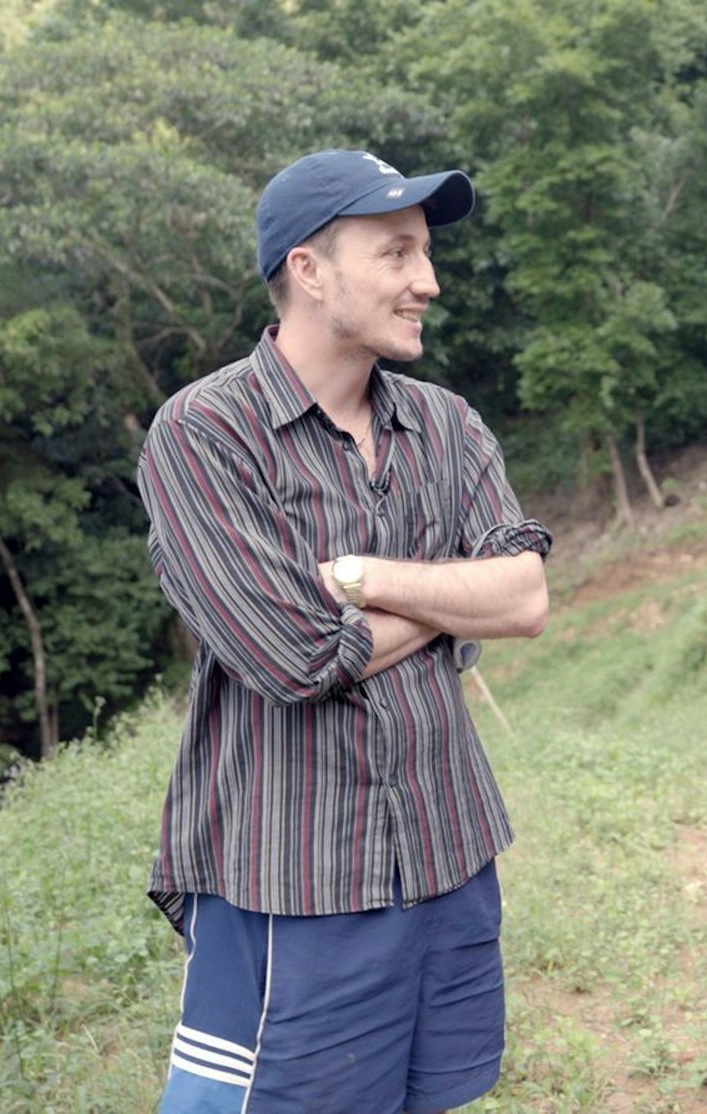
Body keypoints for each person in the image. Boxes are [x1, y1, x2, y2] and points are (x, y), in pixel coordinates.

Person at [136, 148, 552, 1113]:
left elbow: (525, 597)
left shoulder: (446, 426)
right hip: (292, 883)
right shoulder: (204, 434)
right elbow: (295, 655)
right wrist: (452, 601)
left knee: (432, 1097)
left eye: (426, 254)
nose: (428, 282)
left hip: (451, 854)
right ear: (308, 271)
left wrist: (360, 582)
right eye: (398, 253)